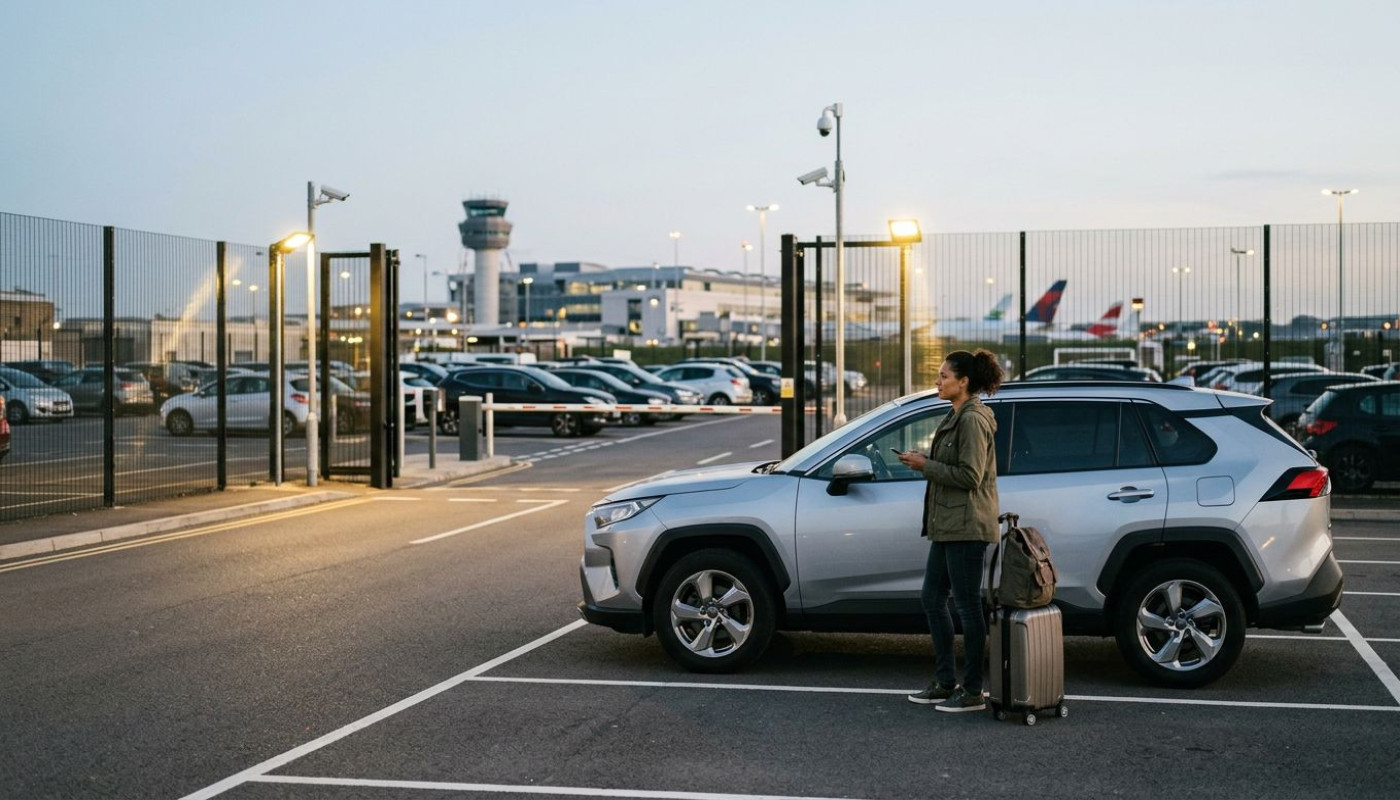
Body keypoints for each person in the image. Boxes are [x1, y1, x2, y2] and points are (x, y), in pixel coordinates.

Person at [897, 349, 1004, 713]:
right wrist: (925, 463)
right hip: (948, 526)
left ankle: (972, 691)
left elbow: (970, 476)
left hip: (967, 525)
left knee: (968, 608)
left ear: (964, 382)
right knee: (932, 598)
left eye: (944, 376)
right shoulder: (955, 415)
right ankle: (945, 682)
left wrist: (926, 465)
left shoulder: (973, 419)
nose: (938, 381)